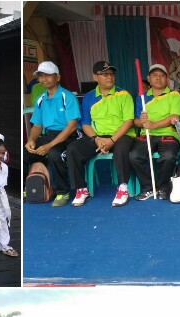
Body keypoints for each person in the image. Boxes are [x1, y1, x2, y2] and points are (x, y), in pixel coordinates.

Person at [67, 61, 136, 208]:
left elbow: (129, 121)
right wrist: (96, 139)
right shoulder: (89, 97)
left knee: (122, 148)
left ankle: (123, 188)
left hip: (121, 135)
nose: (109, 77)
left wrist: (112, 140)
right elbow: (85, 123)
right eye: (104, 74)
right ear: (95, 77)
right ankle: (81, 189)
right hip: (97, 136)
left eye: (111, 74)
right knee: (73, 149)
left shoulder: (123, 94)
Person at [23, 61, 82, 208]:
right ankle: (28, 188)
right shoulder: (40, 99)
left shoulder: (67, 97)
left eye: (48, 75)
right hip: (49, 135)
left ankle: (62, 192)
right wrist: (31, 140)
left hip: (69, 136)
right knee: (26, 153)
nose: (44, 79)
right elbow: (37, 125)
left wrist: (49, 146)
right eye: (41, 76)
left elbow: (71, 126)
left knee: (55, 153)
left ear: (58, 77)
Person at [130, 64, 180, 201]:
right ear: (149, 79)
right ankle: (148, 188)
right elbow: (135, 121)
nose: (158, 78)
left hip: (169, 134)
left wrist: (154, 124)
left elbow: (174, 117)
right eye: (155, 75)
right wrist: (141, 122)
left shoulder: (174, 95)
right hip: (147, 135)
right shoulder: (142, 98)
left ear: (167, 79)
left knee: (168, 156)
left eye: (162, 75)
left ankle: (163, 187)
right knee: (134, 155)